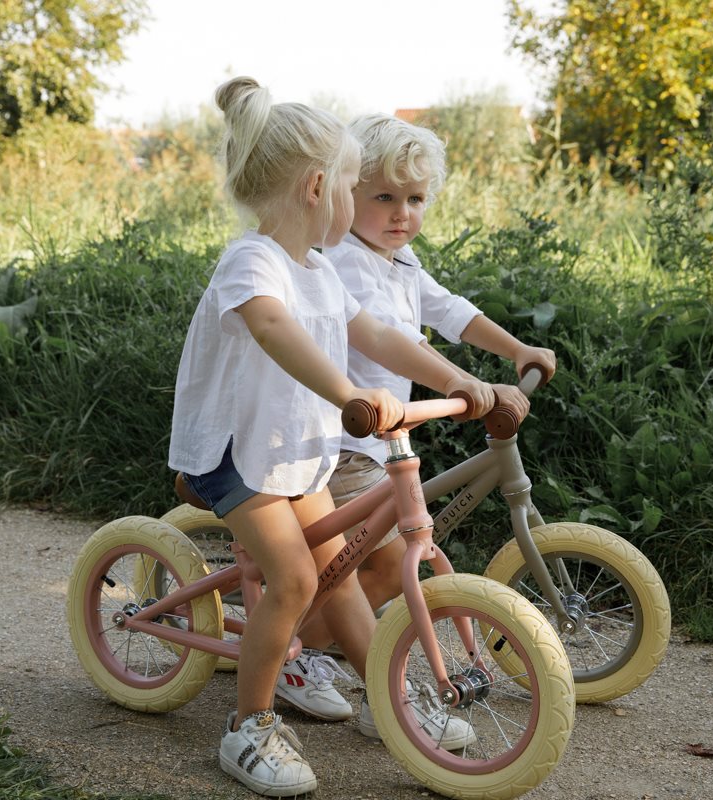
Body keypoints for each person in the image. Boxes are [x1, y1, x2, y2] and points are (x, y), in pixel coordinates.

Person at [168, 79, 496, 797]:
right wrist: (349, 393)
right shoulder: (252, 263)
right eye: (354, 184)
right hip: (235, 453)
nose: (355, 201)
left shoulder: (319, 270)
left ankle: (388, 696)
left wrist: (456, 378)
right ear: (319, 187)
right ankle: (248, 727)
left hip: (292, 451)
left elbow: (377, 333)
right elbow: (273, 329)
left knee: (337, 566)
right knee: (294, 578)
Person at [277, 112, 557, 725]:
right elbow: (389, 340)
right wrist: (465, 381)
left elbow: (450, 311)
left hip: (386, 438)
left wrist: (515, 350)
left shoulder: (401, 260)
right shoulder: (345, 260)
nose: (402, 213)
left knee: (373, 562)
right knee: (363, 562)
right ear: (347, 194)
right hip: (342, 441)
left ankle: (307, 642)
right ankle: (295, 654)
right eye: (383, 197)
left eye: (416, 198)